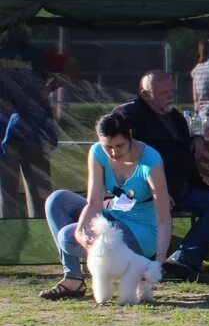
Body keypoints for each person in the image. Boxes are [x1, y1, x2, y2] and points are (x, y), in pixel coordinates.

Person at [39, 112, 171, 300]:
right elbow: (94, 202)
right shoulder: (97, 152)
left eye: (119, 146)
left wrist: (158, 261)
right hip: (113, 215)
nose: (114, 152)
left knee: (67, 238)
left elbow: (164, 217)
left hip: (143, 229)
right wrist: (80, 231)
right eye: (108, 147)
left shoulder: (151, 161)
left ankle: (125, 266)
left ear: (130, 136)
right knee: (57, 200)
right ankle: (73, 278)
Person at [118, 71, 209, 280]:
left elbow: (180, 140)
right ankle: (144, 264)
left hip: (182, 187)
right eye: (163, 92)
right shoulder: (127, 116)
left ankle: (184, 259)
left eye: (172, 91)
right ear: (145, 94)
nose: (170, 96)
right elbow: (123, 159)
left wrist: (196, 137)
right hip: (144, 192)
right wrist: (156, 191)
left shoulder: (174, 116)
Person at [0, 23, 57, 219]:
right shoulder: (37, 54)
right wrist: (47, 91)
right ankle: (42, 242)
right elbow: (72, 66)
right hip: (35, 130)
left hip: (6, 133)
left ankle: (10, 242)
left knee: (7, 194)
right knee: (40, 194)